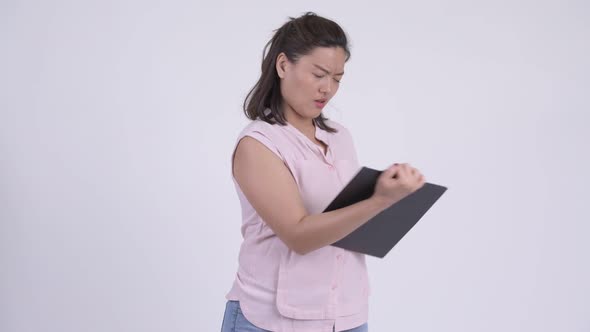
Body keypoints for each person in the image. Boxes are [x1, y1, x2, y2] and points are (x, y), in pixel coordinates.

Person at [221, 12, 425, 332]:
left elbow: (347, 222)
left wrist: (391, 191)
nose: (327, 89)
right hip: (272, 320)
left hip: (346, 316)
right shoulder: (258, 144)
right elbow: (298, 236)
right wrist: (379, 201)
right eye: (318, 74)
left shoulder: (339, 137)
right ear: (284, 65)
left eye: (337, 78)